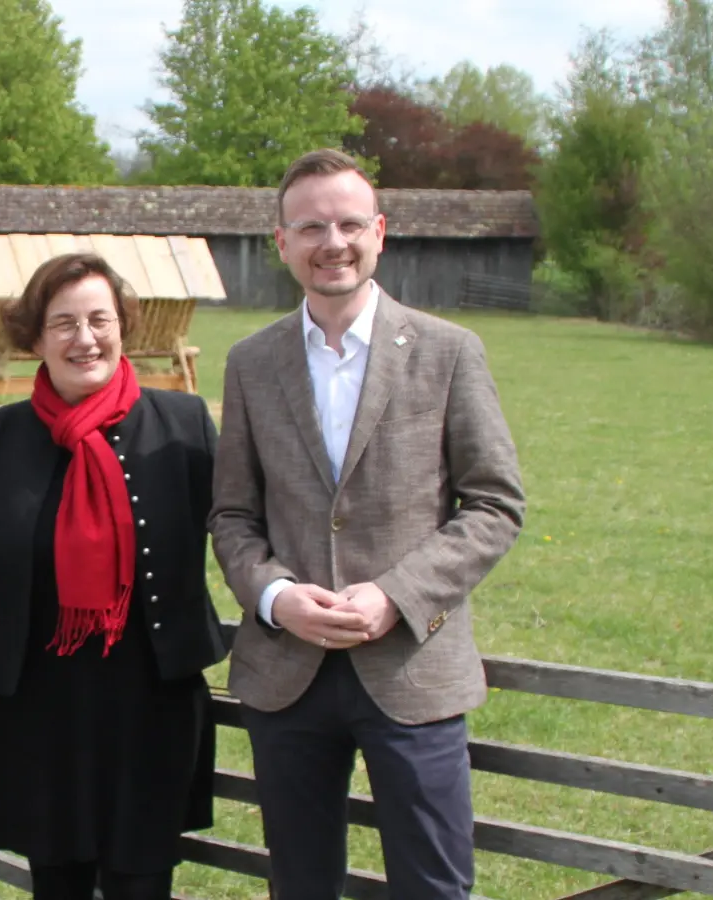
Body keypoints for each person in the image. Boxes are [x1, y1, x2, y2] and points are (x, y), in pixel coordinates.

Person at [209, 148, 525, 899]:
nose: (333, 243)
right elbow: (233, 514)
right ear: (281, 243)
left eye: (350, 224)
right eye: (310, 227)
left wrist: (396, 595)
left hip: (411, 668)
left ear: (379, 233)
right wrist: (275, 597)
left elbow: (494, 503)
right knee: (300, 886)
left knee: (432, 888)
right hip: (287, 674)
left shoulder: (449, 352)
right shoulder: (251, 362)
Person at [0, 253, 227, 900]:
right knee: (57, 887)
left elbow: (241, 533)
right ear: (34, 338)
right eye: (63, 323)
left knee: (140, 887)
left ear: (124, 327)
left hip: (152, 706)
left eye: (100, 320)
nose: (85, 338)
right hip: (36, 711)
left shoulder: (183, 427)